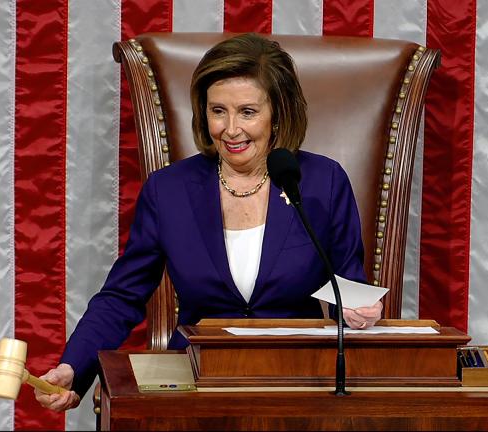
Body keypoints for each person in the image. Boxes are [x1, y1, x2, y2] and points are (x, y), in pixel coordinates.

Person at [35, 33, 383, 412]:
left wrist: (357, 312)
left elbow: (347, 286)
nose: (230, 129)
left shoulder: (322, 182)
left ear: (278, 112)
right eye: (218, 111)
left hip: (297, 383)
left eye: (248, 112)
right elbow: (123, 296)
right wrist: (73, 367)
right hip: (196, 386)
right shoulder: (169, 191)